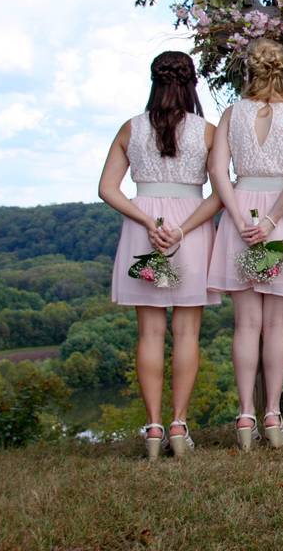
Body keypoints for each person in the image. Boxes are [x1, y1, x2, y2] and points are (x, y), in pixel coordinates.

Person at [99, 51, 220, 459]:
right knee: (186, 333)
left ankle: (152, 427)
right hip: (192, 228)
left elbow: (108, 189)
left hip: (142, 228)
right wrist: (182, 229)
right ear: (192, 83)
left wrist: (148, 222)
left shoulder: (129, 129)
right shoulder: (207, 132)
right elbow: (223, 193)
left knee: (149, 333)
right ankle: (179, 424)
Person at [207, 38, 283, 450]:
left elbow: (219, 172)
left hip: (241, 210)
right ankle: (272, 412)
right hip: (282, 216)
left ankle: (245, 415)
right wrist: (271, 220)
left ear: (249, 70)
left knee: (246, 325)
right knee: (276, 325)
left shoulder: (231, 114)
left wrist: (238, 218)